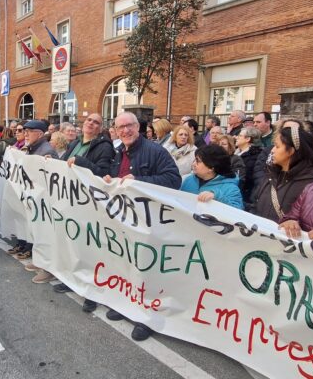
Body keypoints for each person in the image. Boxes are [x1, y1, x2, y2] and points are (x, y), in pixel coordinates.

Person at [102, 111, 180, 342]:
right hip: (124, 219)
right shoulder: (118, 151)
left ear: (139, 127)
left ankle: (146, 318)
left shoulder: (155, 151)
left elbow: (173, 179)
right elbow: (116, 178)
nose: (125, 131)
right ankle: (126, 304)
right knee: (125, 264)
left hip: (148, 222)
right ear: (115, 130)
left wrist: (140, 182)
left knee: (146, 271)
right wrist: (109, 180)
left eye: (129, 126)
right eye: (120, 127)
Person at [52, 113, 115, 300]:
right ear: (84, 122)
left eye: (96, 122)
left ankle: (91, 292)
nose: (91, 123)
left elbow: (102, 173)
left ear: (100, 127)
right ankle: (72, 279)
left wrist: (82, 162)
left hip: (89, 204)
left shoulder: (104, 147)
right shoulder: (75, 143)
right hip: (71, 199)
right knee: (73, 243)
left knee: (89, 249)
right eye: (89, 120)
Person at [7, 120, 58, 283]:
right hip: (34, 199)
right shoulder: (33, 148)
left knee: (45, 235)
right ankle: (40, 261)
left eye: (29, 131)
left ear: (40, 134)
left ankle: (48, 269)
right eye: (25, 131)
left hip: (44, 202)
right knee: (37, 233)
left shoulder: (46, 150)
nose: (25, 133)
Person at [252, 125, 313, 222]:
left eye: (277, 146)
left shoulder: (312, 185)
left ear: (290, 151)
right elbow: (255, 205)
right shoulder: (271, 175)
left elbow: (311, 223)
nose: (272, 150)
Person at [181, 145, 244, 210]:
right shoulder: (189, 180)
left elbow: (237, 212)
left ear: (211, 167)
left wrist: (217, 197)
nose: (193, 164)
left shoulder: (230, 188)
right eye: (194, 160)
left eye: (198, 161)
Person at [235, 127, 264, 207]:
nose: (237, 138)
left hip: (245, 196)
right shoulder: (236, 152)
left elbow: (247, 177)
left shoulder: (255, 156)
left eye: (240, 136)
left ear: (247, 139)